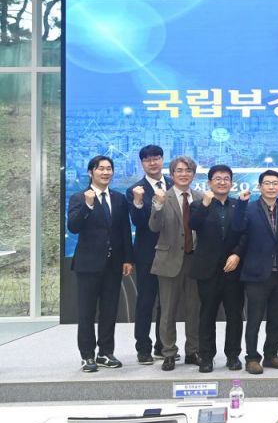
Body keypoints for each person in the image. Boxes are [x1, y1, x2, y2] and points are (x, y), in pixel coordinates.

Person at [67, 155, 134, 372]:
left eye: (109, 169)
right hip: (88, 265)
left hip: (113, 264)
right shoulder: (79, 197)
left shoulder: (119, 198)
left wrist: (128, 258)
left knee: (109, 311)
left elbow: (124, 230)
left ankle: (105, 352)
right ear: (91, 172)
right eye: (101, 168)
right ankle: (87, 355)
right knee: (86, 312)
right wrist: (87, 206)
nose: (106, 172)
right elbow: (73, 227)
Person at [232, 170, 278, 374]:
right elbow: (237, 228)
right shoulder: (249, 208)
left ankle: (271, 355)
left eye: (275, 183)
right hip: (256, 274)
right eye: (267, 183)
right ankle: (252, 358)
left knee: (277, 319)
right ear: (260, 187)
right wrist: (241, 204)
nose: (271, 187)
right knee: (254, 319)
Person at [188, 165, 245, 373]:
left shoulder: (239, 205)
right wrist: (205, 204)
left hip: (233, 269)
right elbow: (193, 225)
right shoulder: (198, 204)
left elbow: (245, 233)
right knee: (207, 315)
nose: (222, 182)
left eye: (226, 178)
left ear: (231, 183)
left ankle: (233, 356)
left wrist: (237, 253)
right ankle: (206, 357)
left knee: (235, 315)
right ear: (209, 182)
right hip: (208, 270)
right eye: (218, 178)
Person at [148, 155, 203, 371]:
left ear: (193, 174)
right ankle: (169, 353)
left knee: (194, 310)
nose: (184, 174)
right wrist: (158, 205)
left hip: (195, 261)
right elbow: (154, 227)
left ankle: (193, 351)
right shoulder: (163, 196)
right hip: (169, 261)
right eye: (179, 170)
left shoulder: (200, 197)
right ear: (172, 174)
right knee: (168, 311)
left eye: (188, 170)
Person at [127, 144, 171, 365]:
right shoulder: (135, 190)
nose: (152, 162)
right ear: (142, 163)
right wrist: (138, 202)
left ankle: (163, 346)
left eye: (156, 158)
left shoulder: (174, 184)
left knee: (167, 303)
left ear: (162, 160)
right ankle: (143, 348)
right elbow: (138, 222)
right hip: (147, 254)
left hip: (171, 253)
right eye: (147, 159)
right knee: (146, 302)